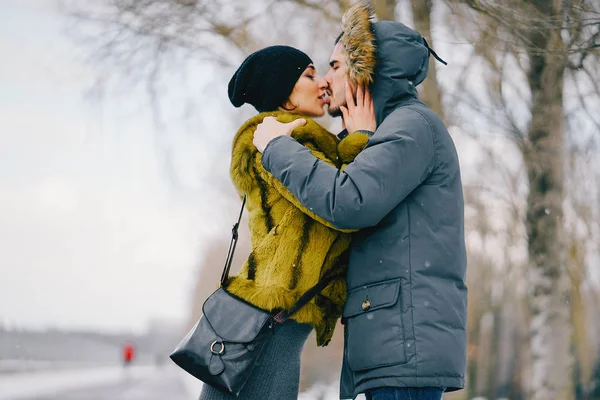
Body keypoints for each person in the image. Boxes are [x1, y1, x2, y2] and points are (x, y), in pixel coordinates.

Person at [252, 3, 468, 400]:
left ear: (364, 70)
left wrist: (277, 148)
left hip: (404, 349)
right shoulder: (392, 130)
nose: (326, 78)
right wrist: (361, 140)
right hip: (391, 343)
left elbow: (347, 201)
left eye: (335, 66)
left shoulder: (411, 127)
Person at [198, 45, 375, 400]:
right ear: (283, 92)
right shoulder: (276, 140)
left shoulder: (301, 144)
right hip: (272, 315)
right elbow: (339, 205)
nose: (324, 82)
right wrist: (362, 140)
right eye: (309, 75)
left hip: (278, 314)